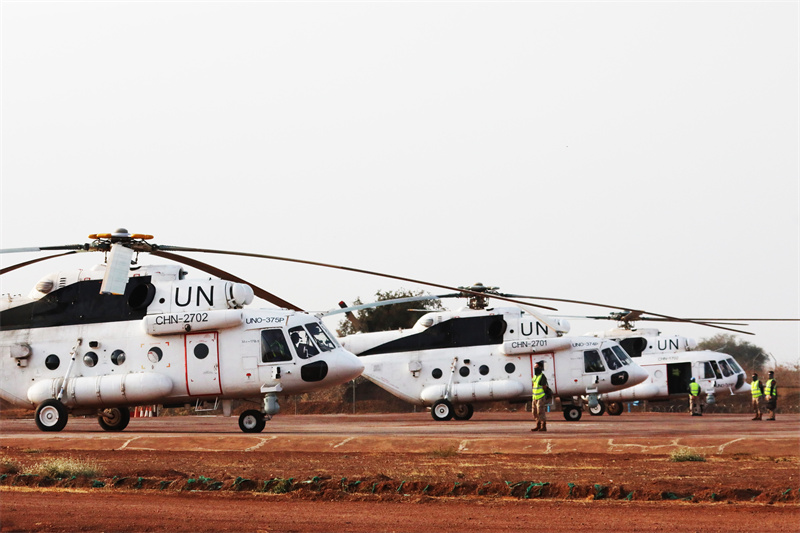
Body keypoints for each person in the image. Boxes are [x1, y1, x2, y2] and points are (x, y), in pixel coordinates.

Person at [531, 362, 549, 432]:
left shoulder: (542, 376)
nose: (535, 369)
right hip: (535, 397)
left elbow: (544, 387)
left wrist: (543, 394)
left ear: (540, 368)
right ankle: (538, 425)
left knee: (540, 411)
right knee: (534, 412)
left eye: (536, 367)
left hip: (541, 396)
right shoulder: (535, 376)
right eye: (535, 367)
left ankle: (543, 426)